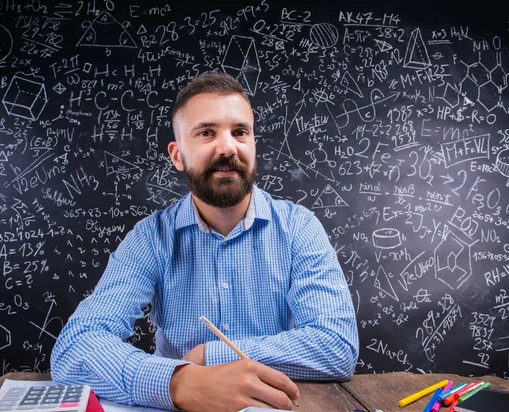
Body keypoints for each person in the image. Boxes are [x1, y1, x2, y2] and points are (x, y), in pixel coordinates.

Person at [50, 72, 359, 411]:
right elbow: (74, 347)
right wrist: (180, 381)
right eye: (206, 133)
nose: (228, 147)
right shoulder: (151, 238)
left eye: (240, 132)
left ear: (253, 145)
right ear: (177, 154)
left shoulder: (299, 228)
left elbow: (336, 345)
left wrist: (210, 356)